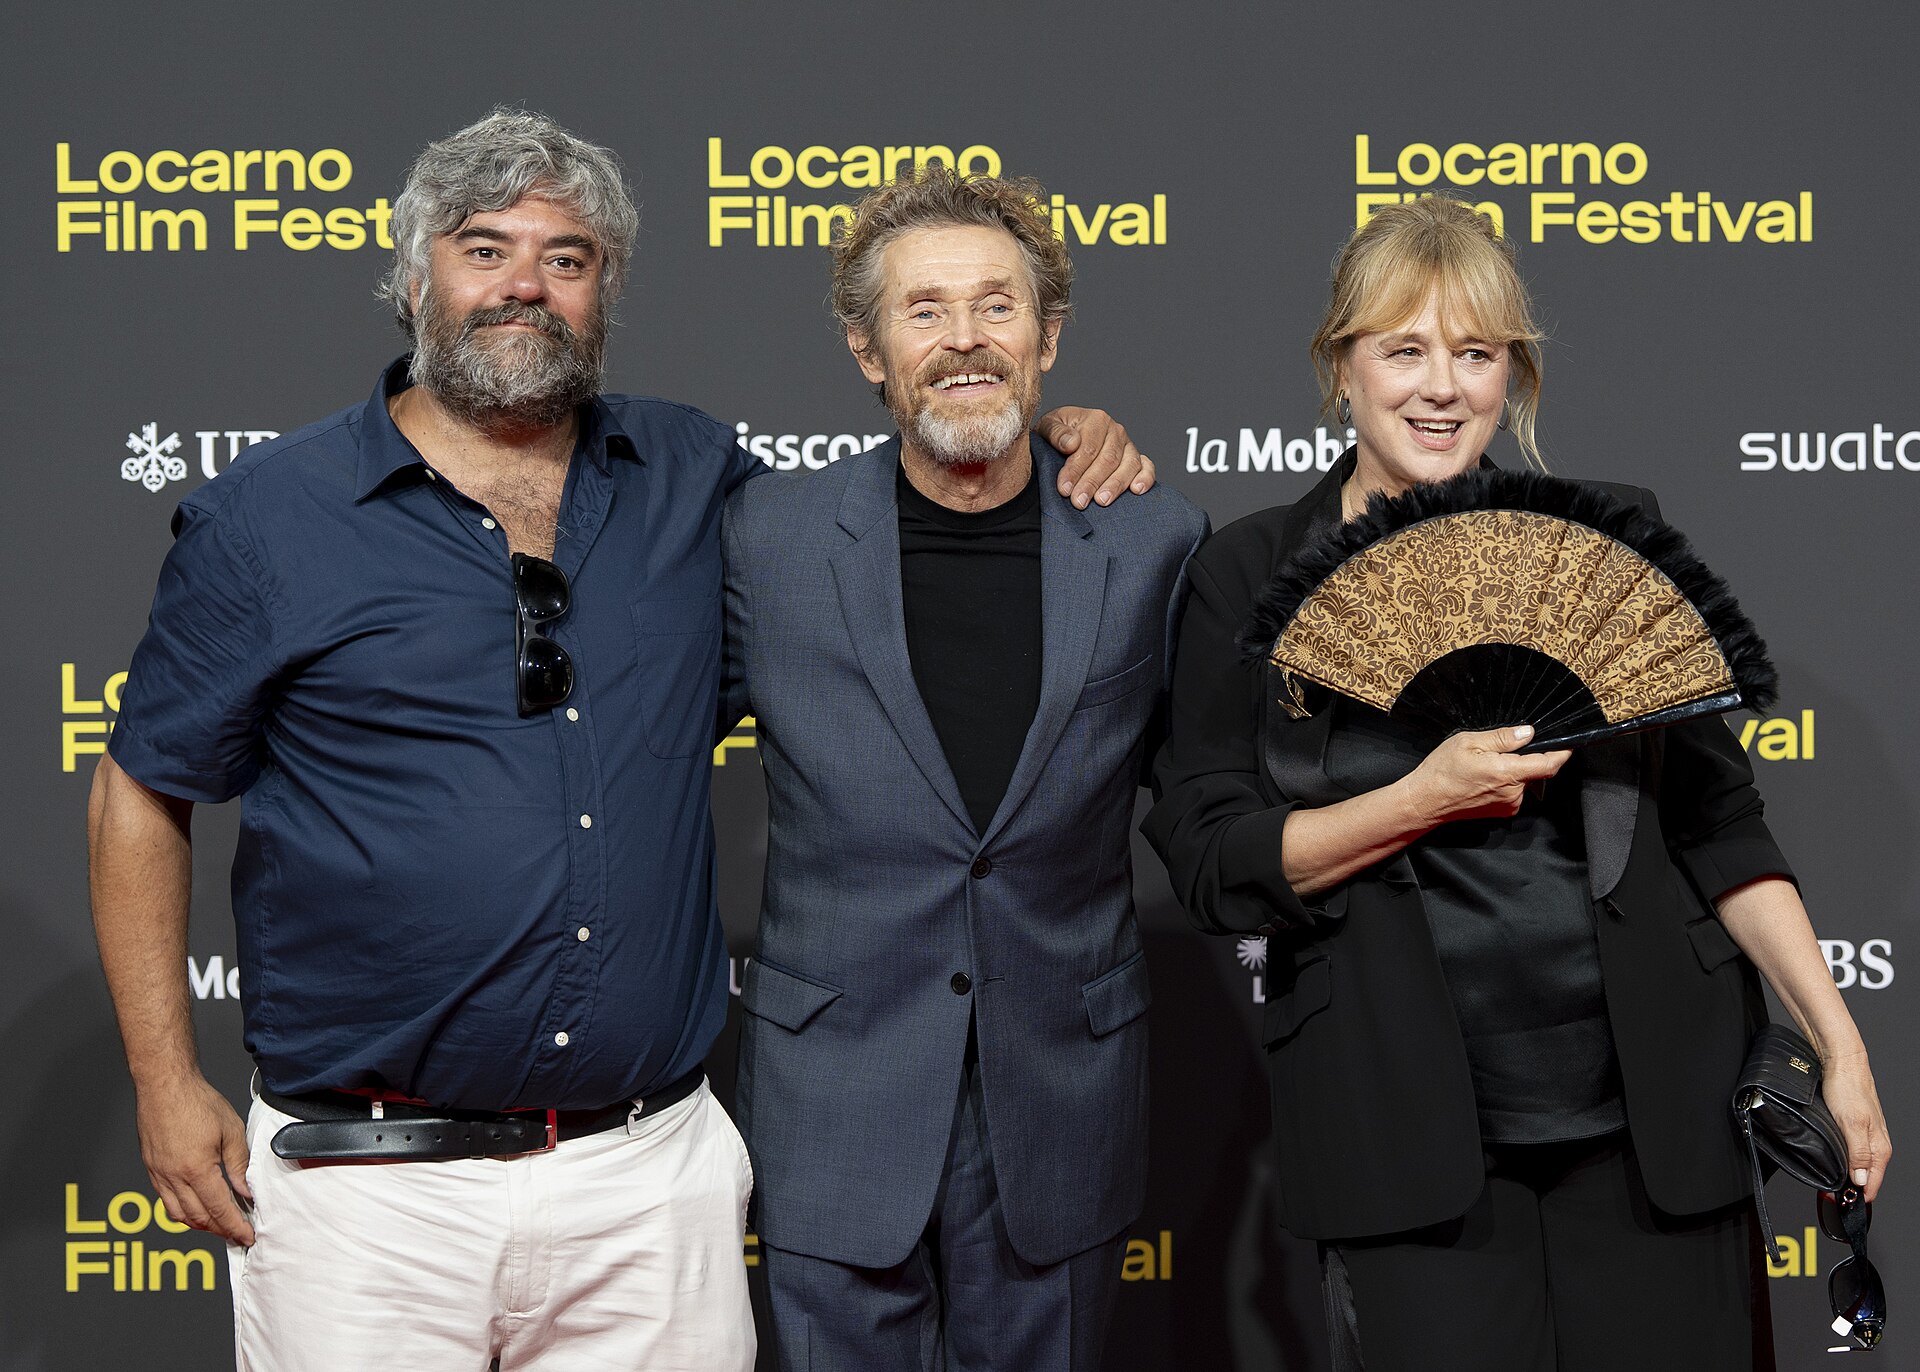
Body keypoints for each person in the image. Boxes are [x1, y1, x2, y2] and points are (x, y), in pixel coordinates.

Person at [86, 109, 1151, 1372]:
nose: (526, 284)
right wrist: (165, 1079)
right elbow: (139, 795)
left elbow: (912, 527)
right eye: (487, 250)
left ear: (607, 292)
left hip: (649, 1185)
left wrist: (1050, 433)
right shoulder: (272, 517)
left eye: (569, 258)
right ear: (414, 271)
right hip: (367, 1195)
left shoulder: (697, 479)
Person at [1142, 196, 1889, 1371]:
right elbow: (1211, 859)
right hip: (1406, 1141)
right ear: (1343, 367)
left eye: (1477, 354)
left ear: (1513, 376)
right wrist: (1421, 797)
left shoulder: (1614, 538)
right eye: (1405, 350)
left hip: (1654, 1129)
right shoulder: (1247, 573)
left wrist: (1839, 1044)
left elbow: (1720, 825)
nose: (1442, 387)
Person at [721, 166, 1208, 1371]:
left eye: (997, 307)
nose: (965, 340)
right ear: (867, 349)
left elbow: (1214, 799)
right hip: (831, 1093)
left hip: (1060, 1095)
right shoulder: (766, 537)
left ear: (1048, 338)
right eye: (925, 310)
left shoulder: (1153, 538)